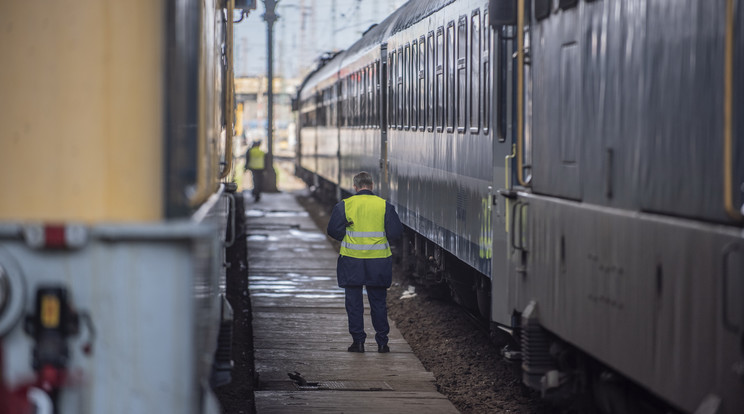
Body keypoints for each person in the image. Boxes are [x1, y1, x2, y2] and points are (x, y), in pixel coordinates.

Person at [326, 171, 403, 353]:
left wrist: (348, 235)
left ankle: (358, 342)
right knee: (378, 302)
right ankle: (382, 343)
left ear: (355, 186)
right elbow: (396, 233)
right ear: (372, 186)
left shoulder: (345, 205)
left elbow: (332, 230)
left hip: (352, 262)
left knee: (354, 304)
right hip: (378, 262)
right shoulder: (384, 206)